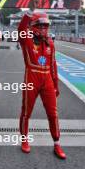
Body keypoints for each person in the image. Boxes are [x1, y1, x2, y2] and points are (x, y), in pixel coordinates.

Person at [18, 12, 66, 159]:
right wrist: (27, 16)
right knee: (26, 112)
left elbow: (53, 65)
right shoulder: (27, 40)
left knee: (53, 114)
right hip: (31, 76)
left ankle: (57, 143)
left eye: (46, 26)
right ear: (33, 27)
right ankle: (24, 140)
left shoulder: (50, 43)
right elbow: (20, 30)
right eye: (41, 26)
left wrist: (56, 85)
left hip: (47, 80)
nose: (44, 29)